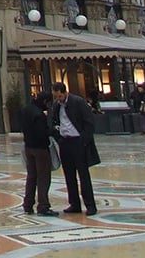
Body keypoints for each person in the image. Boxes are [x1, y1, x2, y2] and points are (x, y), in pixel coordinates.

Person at [50, 82, 99, 215]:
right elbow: (54, 122)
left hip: (78, 141)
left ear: (64, 92)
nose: (57, 99)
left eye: (59, 96)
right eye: (55, 97)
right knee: (69, 174)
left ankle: (90, 205)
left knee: (83, 174)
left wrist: (84, 140)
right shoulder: (56, 106)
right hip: (65, 142)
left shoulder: (78, 102)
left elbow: (89, 122)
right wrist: (58, 137)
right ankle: (74, 203)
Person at [19, 91, 57, 216]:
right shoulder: (39, 115)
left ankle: (28, 204)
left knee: (31, 177)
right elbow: (42, 133)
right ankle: (43, 206)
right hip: (40, 149)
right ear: (45, 101)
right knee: (43, 177)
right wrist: (52, 132)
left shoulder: (26, 110)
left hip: (28, 147)